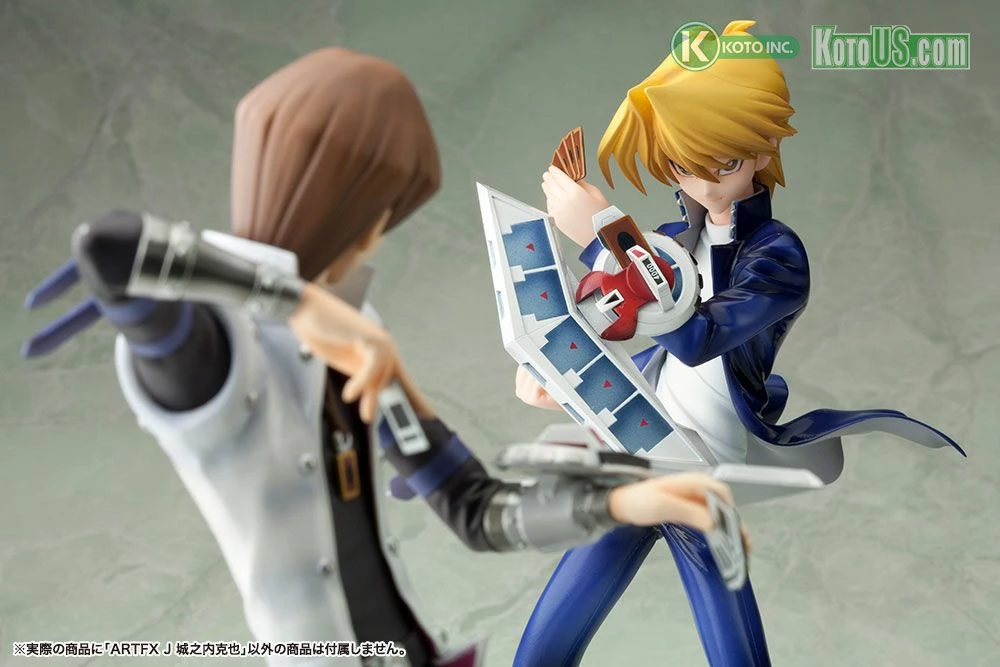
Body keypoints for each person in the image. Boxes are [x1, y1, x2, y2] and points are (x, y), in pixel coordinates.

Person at [22, 48, 745, 667]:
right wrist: (298, 300)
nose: (374, 242)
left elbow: (474, 507)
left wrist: (623, 502)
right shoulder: (215, 351)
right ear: (344, 206)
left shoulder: (353, 340)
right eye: (380, 215)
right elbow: (108, 249)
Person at [512, 20, 964, 667]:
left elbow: (699, 337)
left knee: (733, 648)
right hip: (640, 446)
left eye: (720, 163)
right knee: (546, 639)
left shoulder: (776, 256)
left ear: (763, 146)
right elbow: (621, 319)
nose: (700, 183)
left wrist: (603, 235)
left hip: (703, 464)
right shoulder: (671, 238)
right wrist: (555, 368)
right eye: (682, 164)